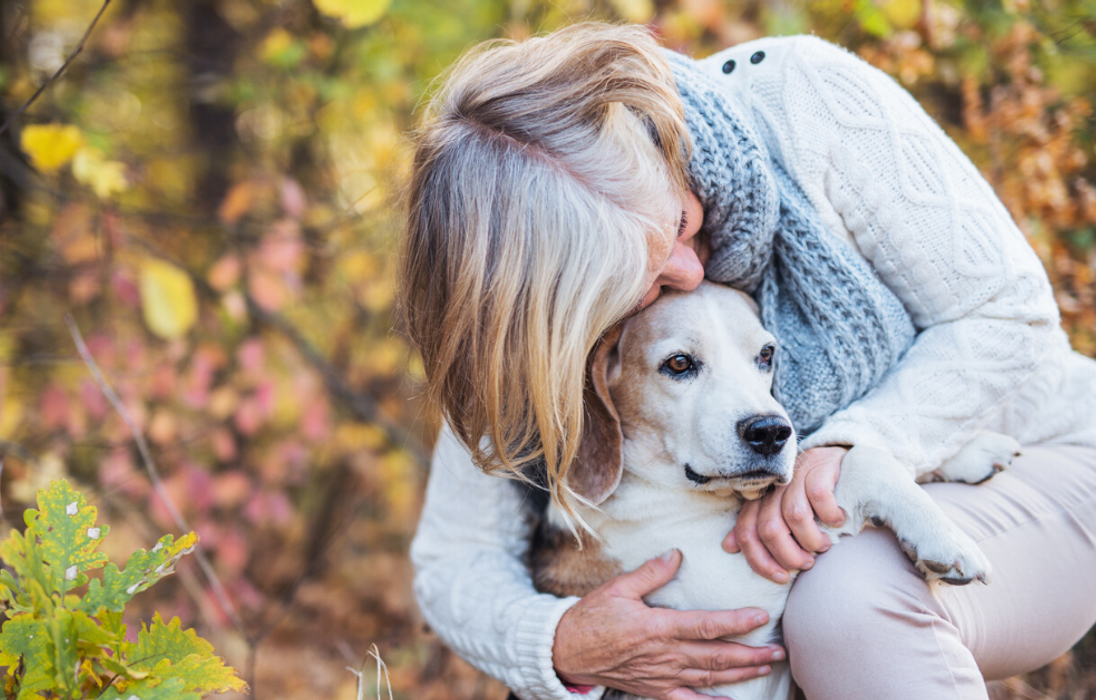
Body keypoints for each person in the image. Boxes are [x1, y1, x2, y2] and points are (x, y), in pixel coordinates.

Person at [401, 23, 1096, 700]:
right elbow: (454, 559)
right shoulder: (539, 331)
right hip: (803, 545)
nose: (683, 268)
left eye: (674, 224)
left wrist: (851, 451)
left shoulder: (805, 98)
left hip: (1044, 453)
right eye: (625, 276)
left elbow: (1010, 315)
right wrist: (561, 642)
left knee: (843, 603)